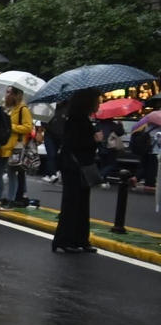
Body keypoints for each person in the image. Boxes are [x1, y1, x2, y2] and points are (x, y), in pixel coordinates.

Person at [52, 91, 100, 253]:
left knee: (81, 203)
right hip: (73, 167)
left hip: (79, 166)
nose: (99, 103)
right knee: (72, 203)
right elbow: (73, 143)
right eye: (96, 99)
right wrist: (93, 140)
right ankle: (64, 240)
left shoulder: (82, 119)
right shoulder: (75, 120)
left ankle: (80, 239)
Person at [0, 86, 33, 206]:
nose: (7, 95)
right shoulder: (3, 107)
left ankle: (10, 199)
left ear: (17, 95)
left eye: (10, 93)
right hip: (0, 145)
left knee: (11, 173)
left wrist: (11, 127)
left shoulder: (22, 109)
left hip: (13, 146)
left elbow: (28, 127)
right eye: (6, 92)